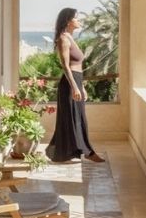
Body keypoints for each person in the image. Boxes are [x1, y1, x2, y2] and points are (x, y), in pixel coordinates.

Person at [45, 8, 105, 163]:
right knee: (71, 118)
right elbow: (65, 66)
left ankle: (72, 152)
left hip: (76, 80)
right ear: (68, 21)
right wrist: (74, 87)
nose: (79, 20)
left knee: (78, 118)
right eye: (76, 18)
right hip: (69, 83)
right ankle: (87, 152)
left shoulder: (70, 38)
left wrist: (81, 86)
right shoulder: (63, 39)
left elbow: (78, 66)